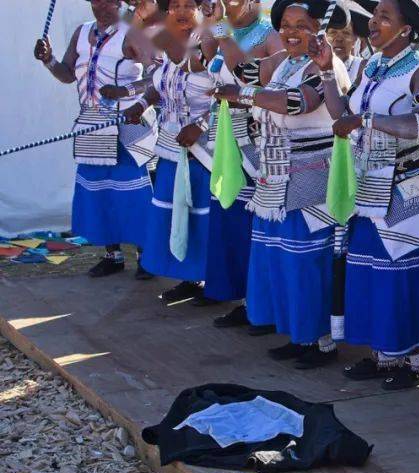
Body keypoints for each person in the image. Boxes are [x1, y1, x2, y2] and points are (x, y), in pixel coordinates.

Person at [212, 0, 350, 369]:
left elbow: (296, 102)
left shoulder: (327, 66)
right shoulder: (283, 62)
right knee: (279, 258)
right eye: (286, 25)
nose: (290, 32)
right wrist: (220, 26)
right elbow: (242, 69)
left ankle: (319, 342)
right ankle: (296, 334)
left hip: (310, 177)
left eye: (301, 25)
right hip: (275, 174)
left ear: (318, 28)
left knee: (306, 262)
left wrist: (242, 96)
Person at [322, 0, 419, 389]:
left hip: (406, 190)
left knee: (401, 274)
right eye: (374, 16)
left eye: (384, 18)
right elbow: (341, 113)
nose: (373, 23)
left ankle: (415, 360)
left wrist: (367, 120)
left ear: (406, 29)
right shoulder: (372, 65)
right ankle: (383, 355)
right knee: (370, 270)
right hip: (369, 184)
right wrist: (327, 69)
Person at [34, 0, 157, 278]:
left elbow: (158, 78)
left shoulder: (132, 32)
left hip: (127, 122)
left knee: (133, 194)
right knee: (98, 192)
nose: (99, 4)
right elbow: (66, 74)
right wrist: (49, 60)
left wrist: (126, 91)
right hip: (92, 124)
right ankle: (112, 255)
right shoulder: (81, 32)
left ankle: (145, 255)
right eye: (94, 0)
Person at [198, 0, 283, 328]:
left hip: (256, 141)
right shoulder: (222, 27)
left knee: (252, 224)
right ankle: (242, 298)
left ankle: (259, 302)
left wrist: (219, 28)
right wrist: (209, 23)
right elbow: (210, 60)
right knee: (229, 219)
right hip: (226, 138)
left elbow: (240, 71)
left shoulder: (270, 34)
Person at [125, 0, 216, 298]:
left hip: (205, 153)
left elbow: (228, 97)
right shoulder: (169, 47)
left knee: (201, 216)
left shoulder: (210, 43)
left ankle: (212, 281)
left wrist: (199, 127)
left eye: (188, 4)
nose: (180, 10)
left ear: (201, 9)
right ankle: (188, 278)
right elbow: (160, 83)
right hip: (171, 148)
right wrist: (140, 104)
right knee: (175, 214)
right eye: (174, 4)